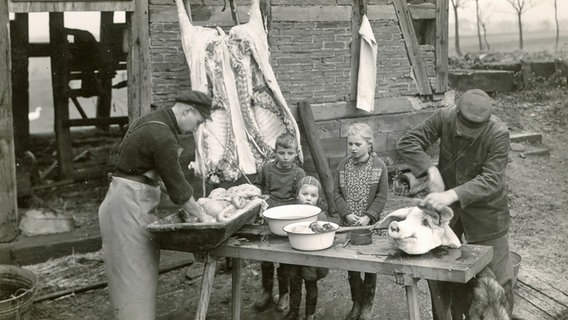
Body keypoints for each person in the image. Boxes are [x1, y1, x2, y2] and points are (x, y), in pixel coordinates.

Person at [396, 88, 515, 319]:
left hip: (488, 215)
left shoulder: (498, 133)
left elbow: (491, 179)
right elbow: (408, 142)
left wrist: (450, 194)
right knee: (443, 276)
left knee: (500, 284)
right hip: (448, 216)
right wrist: (431, 170)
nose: (468, 132)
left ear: (487, 120)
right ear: (457, 112)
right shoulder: (445, 116)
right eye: (465, 125)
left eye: (475, 128)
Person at [98, 90, 213, 319]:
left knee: (138, 272)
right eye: (197, 122)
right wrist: (203, 217)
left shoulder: (155, 121)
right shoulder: (161, 134)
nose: (195, 128)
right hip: (127, 205)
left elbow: (150, 173)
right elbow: (177, 187)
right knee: (133, 276)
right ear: (187, 110)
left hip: (127, 199)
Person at [333, 123, 389, 320]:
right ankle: (356, 303)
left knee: (369, 264)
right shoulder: (343, 166)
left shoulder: (379, 166)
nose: (353, 148)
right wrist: (347, 213)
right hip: (349, 224)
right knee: (353, 265)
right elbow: (337, 193)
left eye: (358, 144)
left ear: (369, 144)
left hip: (368, 226)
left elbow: (382, 196)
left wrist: (369, 216)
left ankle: (367, 306)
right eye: (350, 144)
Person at [253, 132, 306, 313]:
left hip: (287, 222)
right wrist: (260, 195)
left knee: (285, 260)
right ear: (275, 152)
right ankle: (266, 291)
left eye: (290, 153)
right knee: (266, 258)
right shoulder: (267, 169)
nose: (285, 157)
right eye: (281, 153)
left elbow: (304, 196)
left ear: (296, 153)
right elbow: (257, 187)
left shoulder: (298, 173)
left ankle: (284, 293)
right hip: (267, 220)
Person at [283, 176, 330, 320]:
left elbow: (326, 235)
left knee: (311, 285)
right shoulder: (292, 213)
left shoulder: (321, 215)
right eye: (305, 194)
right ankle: (293, 311)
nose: (308, 198)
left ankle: (310, 314)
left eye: (313, 195)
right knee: (294, 284)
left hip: (312, 257)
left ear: (318, 198)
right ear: (297, 194)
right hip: (295, 255)